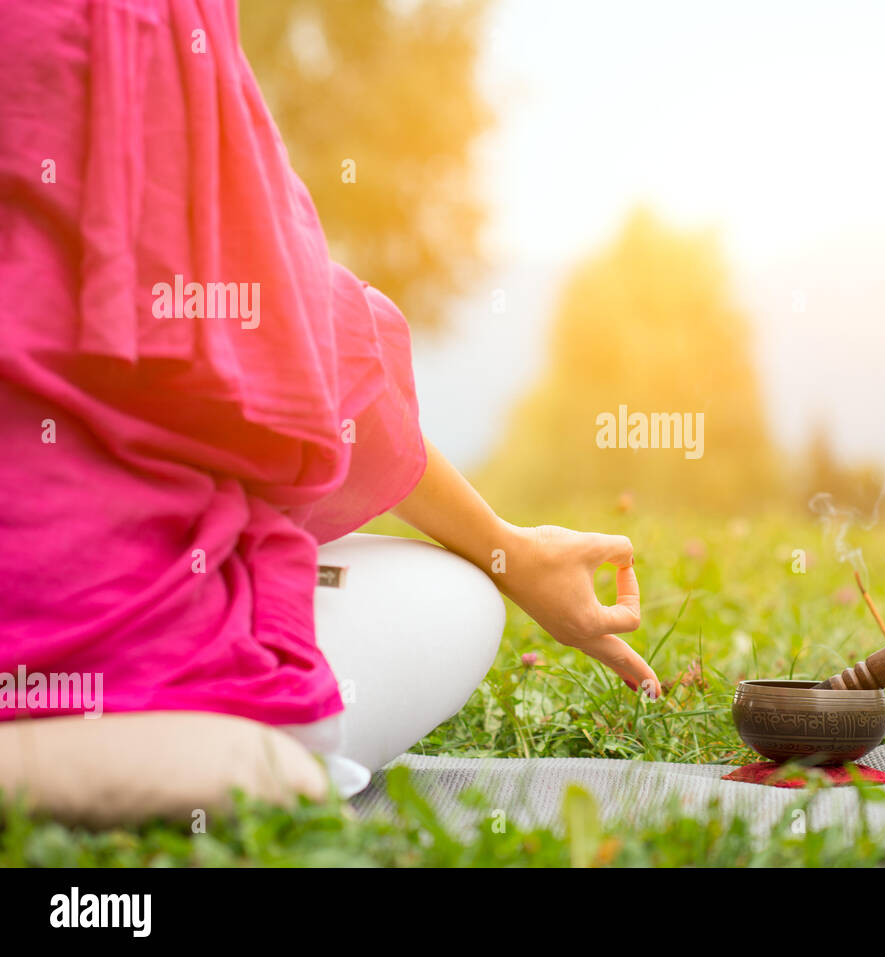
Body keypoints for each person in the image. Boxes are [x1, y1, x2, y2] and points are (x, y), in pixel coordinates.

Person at [0, 0, 659, 799]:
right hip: (148, 701)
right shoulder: (144, 24)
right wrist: (508, 553)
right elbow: (319, 350)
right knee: (453, 596)